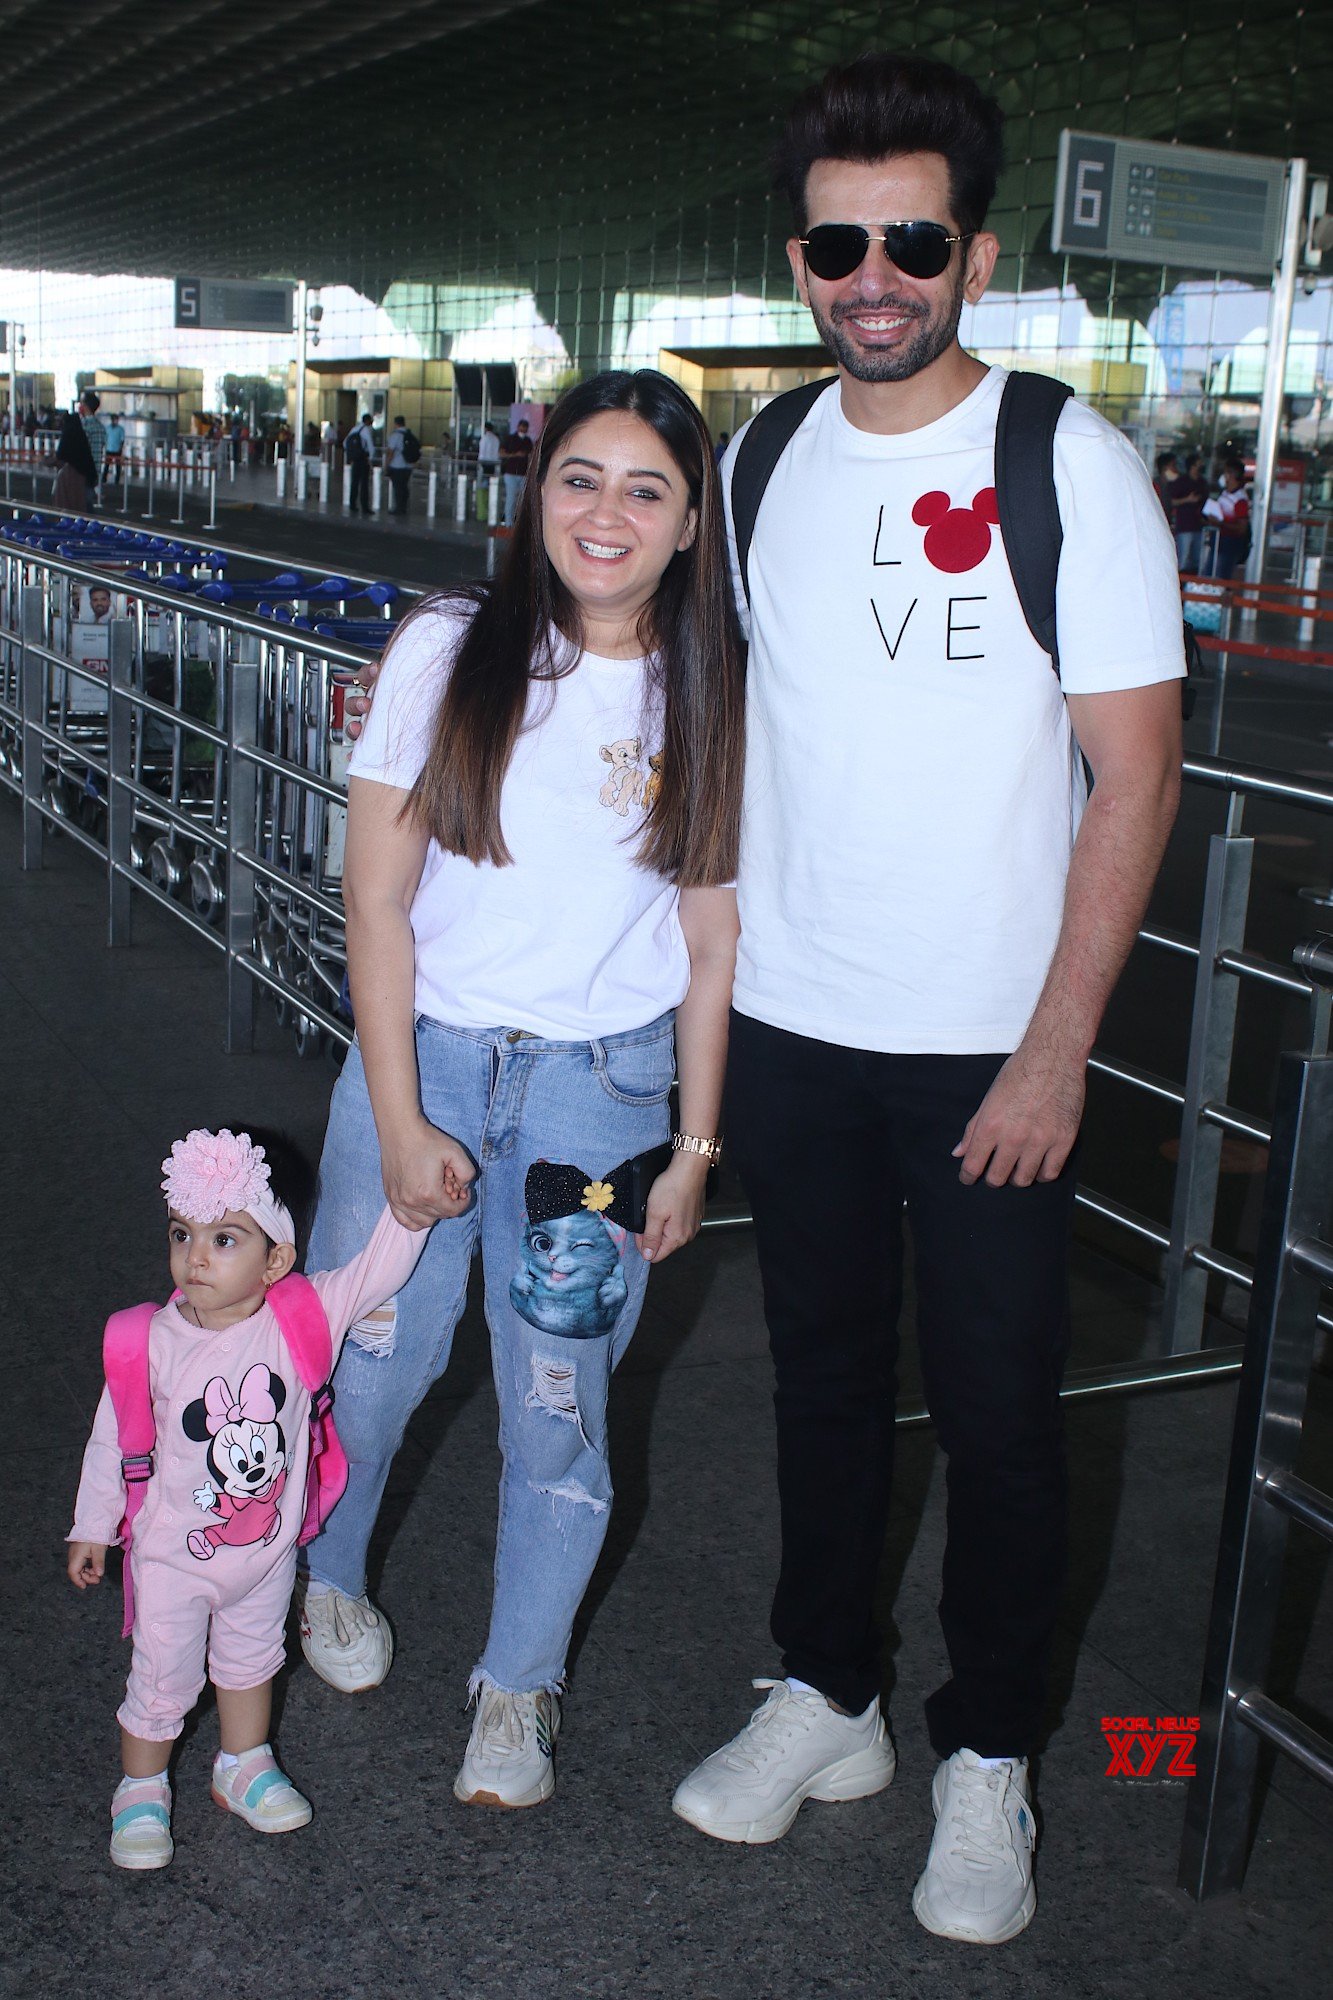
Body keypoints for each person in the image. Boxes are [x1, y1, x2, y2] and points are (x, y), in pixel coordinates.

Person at [667, 53, 1185, 1947]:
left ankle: (991, 1755)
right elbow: (739, 728)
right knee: (811, 1383)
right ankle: (829, 1692)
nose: (869, 274)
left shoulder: (1067, 461)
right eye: (834, 241)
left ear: (970, 249)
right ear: (797, 257)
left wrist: (1054, 1049)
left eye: (908, 238)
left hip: (989, 1045)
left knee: (994, 1416)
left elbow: (1133, 777)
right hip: (800, 1023)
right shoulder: (764, 456)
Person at [295, 368, 744, 1813]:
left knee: (556, 1403)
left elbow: (709, 937)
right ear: (534, 492)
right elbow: (374, 904)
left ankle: (518, 1682)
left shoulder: (711, 690)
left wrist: (691, 1147)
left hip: (599, 1106)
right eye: (579, 477)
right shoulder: (446, 648)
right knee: (372, 1364)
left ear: (687, 529)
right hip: (413, 1059)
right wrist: (404, 1111)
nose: (605, 513)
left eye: (646, 490)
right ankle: (323, 1575)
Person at [66, 1126, 428, 1870]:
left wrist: (414, 1212)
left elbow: (375, 1273)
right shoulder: (153, 1343)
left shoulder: (302, 1318)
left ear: (278, 1260)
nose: (196, 1255)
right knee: (163, 1677)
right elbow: (112, 1439)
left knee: (252, 1663)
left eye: (225, 1238)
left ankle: (243, 1765)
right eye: (183, 1233)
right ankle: (140, 1788)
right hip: (172, 1558)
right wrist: (91, 1526)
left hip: (264, 1557)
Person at [1209, 457, 1251, 579]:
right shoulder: (1225, 493)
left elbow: (1241, 528)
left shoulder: (1240, 499)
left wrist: (1221, 523)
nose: (1224, 476)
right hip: (1218, 539)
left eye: (1226, 472)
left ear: (1232, 475)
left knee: (1222, 576)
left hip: (1229, 543)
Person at [1169, 453, 1208, 573]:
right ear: (1192, 466)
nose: (1200, 467)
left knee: (1198, 559)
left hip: (1199, 525)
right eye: (1198, 465)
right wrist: (1187, 500)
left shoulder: (1202, 482)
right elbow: (1171, 501)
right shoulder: (1181, 481)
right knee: (1183, 559)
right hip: (1185, 526)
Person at [53, 405, 97, 510]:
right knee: (85, 506)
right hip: (86, 476)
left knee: (71, 506)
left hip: (72, 478)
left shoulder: (68, 434)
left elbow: (61, 455)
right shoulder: (80, 435)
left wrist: (44, 460)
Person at [501, 416, 534, 524]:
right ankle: (508, 524)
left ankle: (519, 524)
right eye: (522, 427)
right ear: (518, 427)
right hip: (511, 472)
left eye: (525, 428)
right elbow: (501, 453)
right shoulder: (510, 439)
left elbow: (531, 454)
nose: (523, 430)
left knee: (522, 501)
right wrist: (515, 455)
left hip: (523, 473)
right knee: (511, 499)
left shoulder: (528, 441)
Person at [345, 410, 374, 515]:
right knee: (364, 484)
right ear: (368, 421)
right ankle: (365, 507)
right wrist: (371, 458)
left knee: (354, 482)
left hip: (355, 460)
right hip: (363, 459)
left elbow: (345, 443)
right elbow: (370, 446)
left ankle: (352, 504)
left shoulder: (355, 429)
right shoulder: (366, 430)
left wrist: (352, 454)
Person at [384, 413, 412, 516]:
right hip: (408, 466)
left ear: (396, 423)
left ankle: (399, 508)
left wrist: (387, 465)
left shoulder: (395, 435)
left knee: (398, 488)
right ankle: (403, 507)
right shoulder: (409, 434)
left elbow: (390, 452)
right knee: (404, 487)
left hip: (397, 466)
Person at [102, 414, 125, 486]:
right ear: (112, 420)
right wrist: (105, 447)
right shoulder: (108, 428)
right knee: (107, 465)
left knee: (118, 466)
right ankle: (104, 479)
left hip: (117, 449)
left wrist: (120, 448)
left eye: (117, 419)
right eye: (115, 419)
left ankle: (117, 480)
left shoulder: (121, 429)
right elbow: (105, 438)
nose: (116, 421)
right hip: (109, 449)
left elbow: (122, 440)